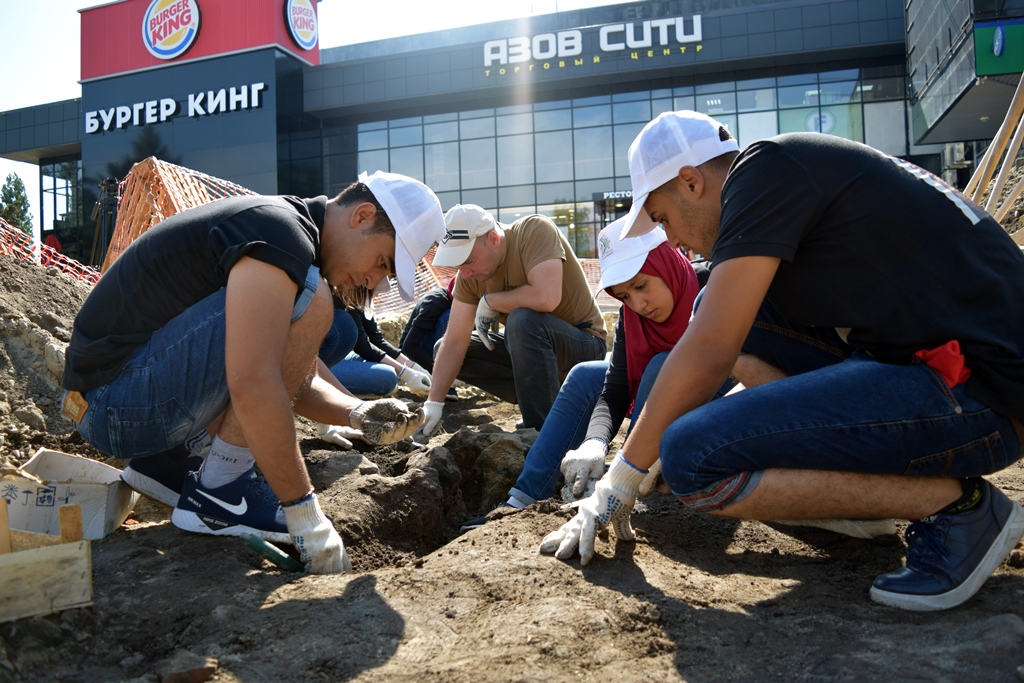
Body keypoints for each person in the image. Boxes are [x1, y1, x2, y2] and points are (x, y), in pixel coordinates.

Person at [541, 110, 1024, 612]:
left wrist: (620, 481)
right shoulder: (789, 172)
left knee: (693, 455)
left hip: (982, 396)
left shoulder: (765, 170)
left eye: (662, 217)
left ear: (690, 181)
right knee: (718, 310)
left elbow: (710, 349)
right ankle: (869, 490)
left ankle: (959, 509)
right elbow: (722, 335)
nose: (672, 240)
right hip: (956, 371)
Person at [61, 171, 445, 574]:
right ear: (362, 215)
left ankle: (169, 462)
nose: (374, 282)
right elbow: (255, 381)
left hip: (117, 399)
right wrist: (305, 517)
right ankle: (223, 486)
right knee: (314, 304)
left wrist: (356, 413)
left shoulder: (288, 231)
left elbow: (292, 376)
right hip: (115, 403)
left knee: (322, 321)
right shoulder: (281, 234)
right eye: (383, 263)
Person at [461, 220, 701, 529]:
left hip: (711, 406)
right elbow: (615, 390)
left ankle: (629, 480)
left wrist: (625, 467)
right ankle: (522, 498)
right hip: (655, 402)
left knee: (661, 365)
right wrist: (595, 443)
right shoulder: (632, 318)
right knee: (585, 375)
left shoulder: (708, 290)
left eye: (641, 285)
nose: (638, 304)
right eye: (624, 296)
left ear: (665, 264)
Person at [420, 204, 607, 433]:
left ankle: (543, 430)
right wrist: (434, 402)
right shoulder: (470, 275)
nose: (465, 273)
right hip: (535, 354)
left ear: (492, 239)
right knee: (446, 348)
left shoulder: (533, 230)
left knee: (521, 322)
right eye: (459, 265)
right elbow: (455, 341)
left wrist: (490, 301)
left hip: (583, 346)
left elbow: (546, 297)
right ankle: (541, 403)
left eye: (468, 261)